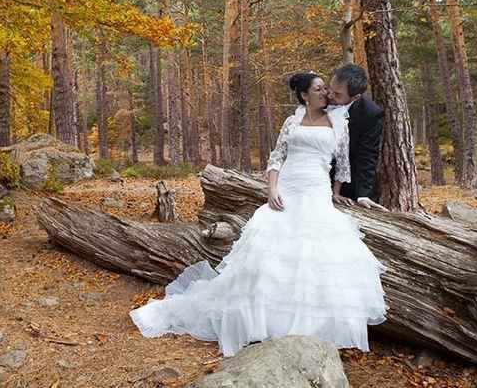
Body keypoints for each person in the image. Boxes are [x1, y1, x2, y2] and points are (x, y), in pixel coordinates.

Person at [129, 72, 387, 357]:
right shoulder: (292, 121)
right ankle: (261, 324)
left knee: (314, 258)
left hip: (316, 191)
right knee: (270, 255)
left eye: (327, 88)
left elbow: (343, 163)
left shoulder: (339, 121)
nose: (325, 92)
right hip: (287, 189)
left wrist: (338, 192)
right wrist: (272, 189)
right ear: (304, 95)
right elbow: (277, 157)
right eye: (319, 88)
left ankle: (307, 330)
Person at [328, 64, 386, 211]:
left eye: (337, 94)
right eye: (330, 89)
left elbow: (367, 155)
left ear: (355, 97)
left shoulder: (370, 114)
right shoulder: (319, 98)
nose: (329, 96)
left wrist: (363, 194)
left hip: (345, 185)